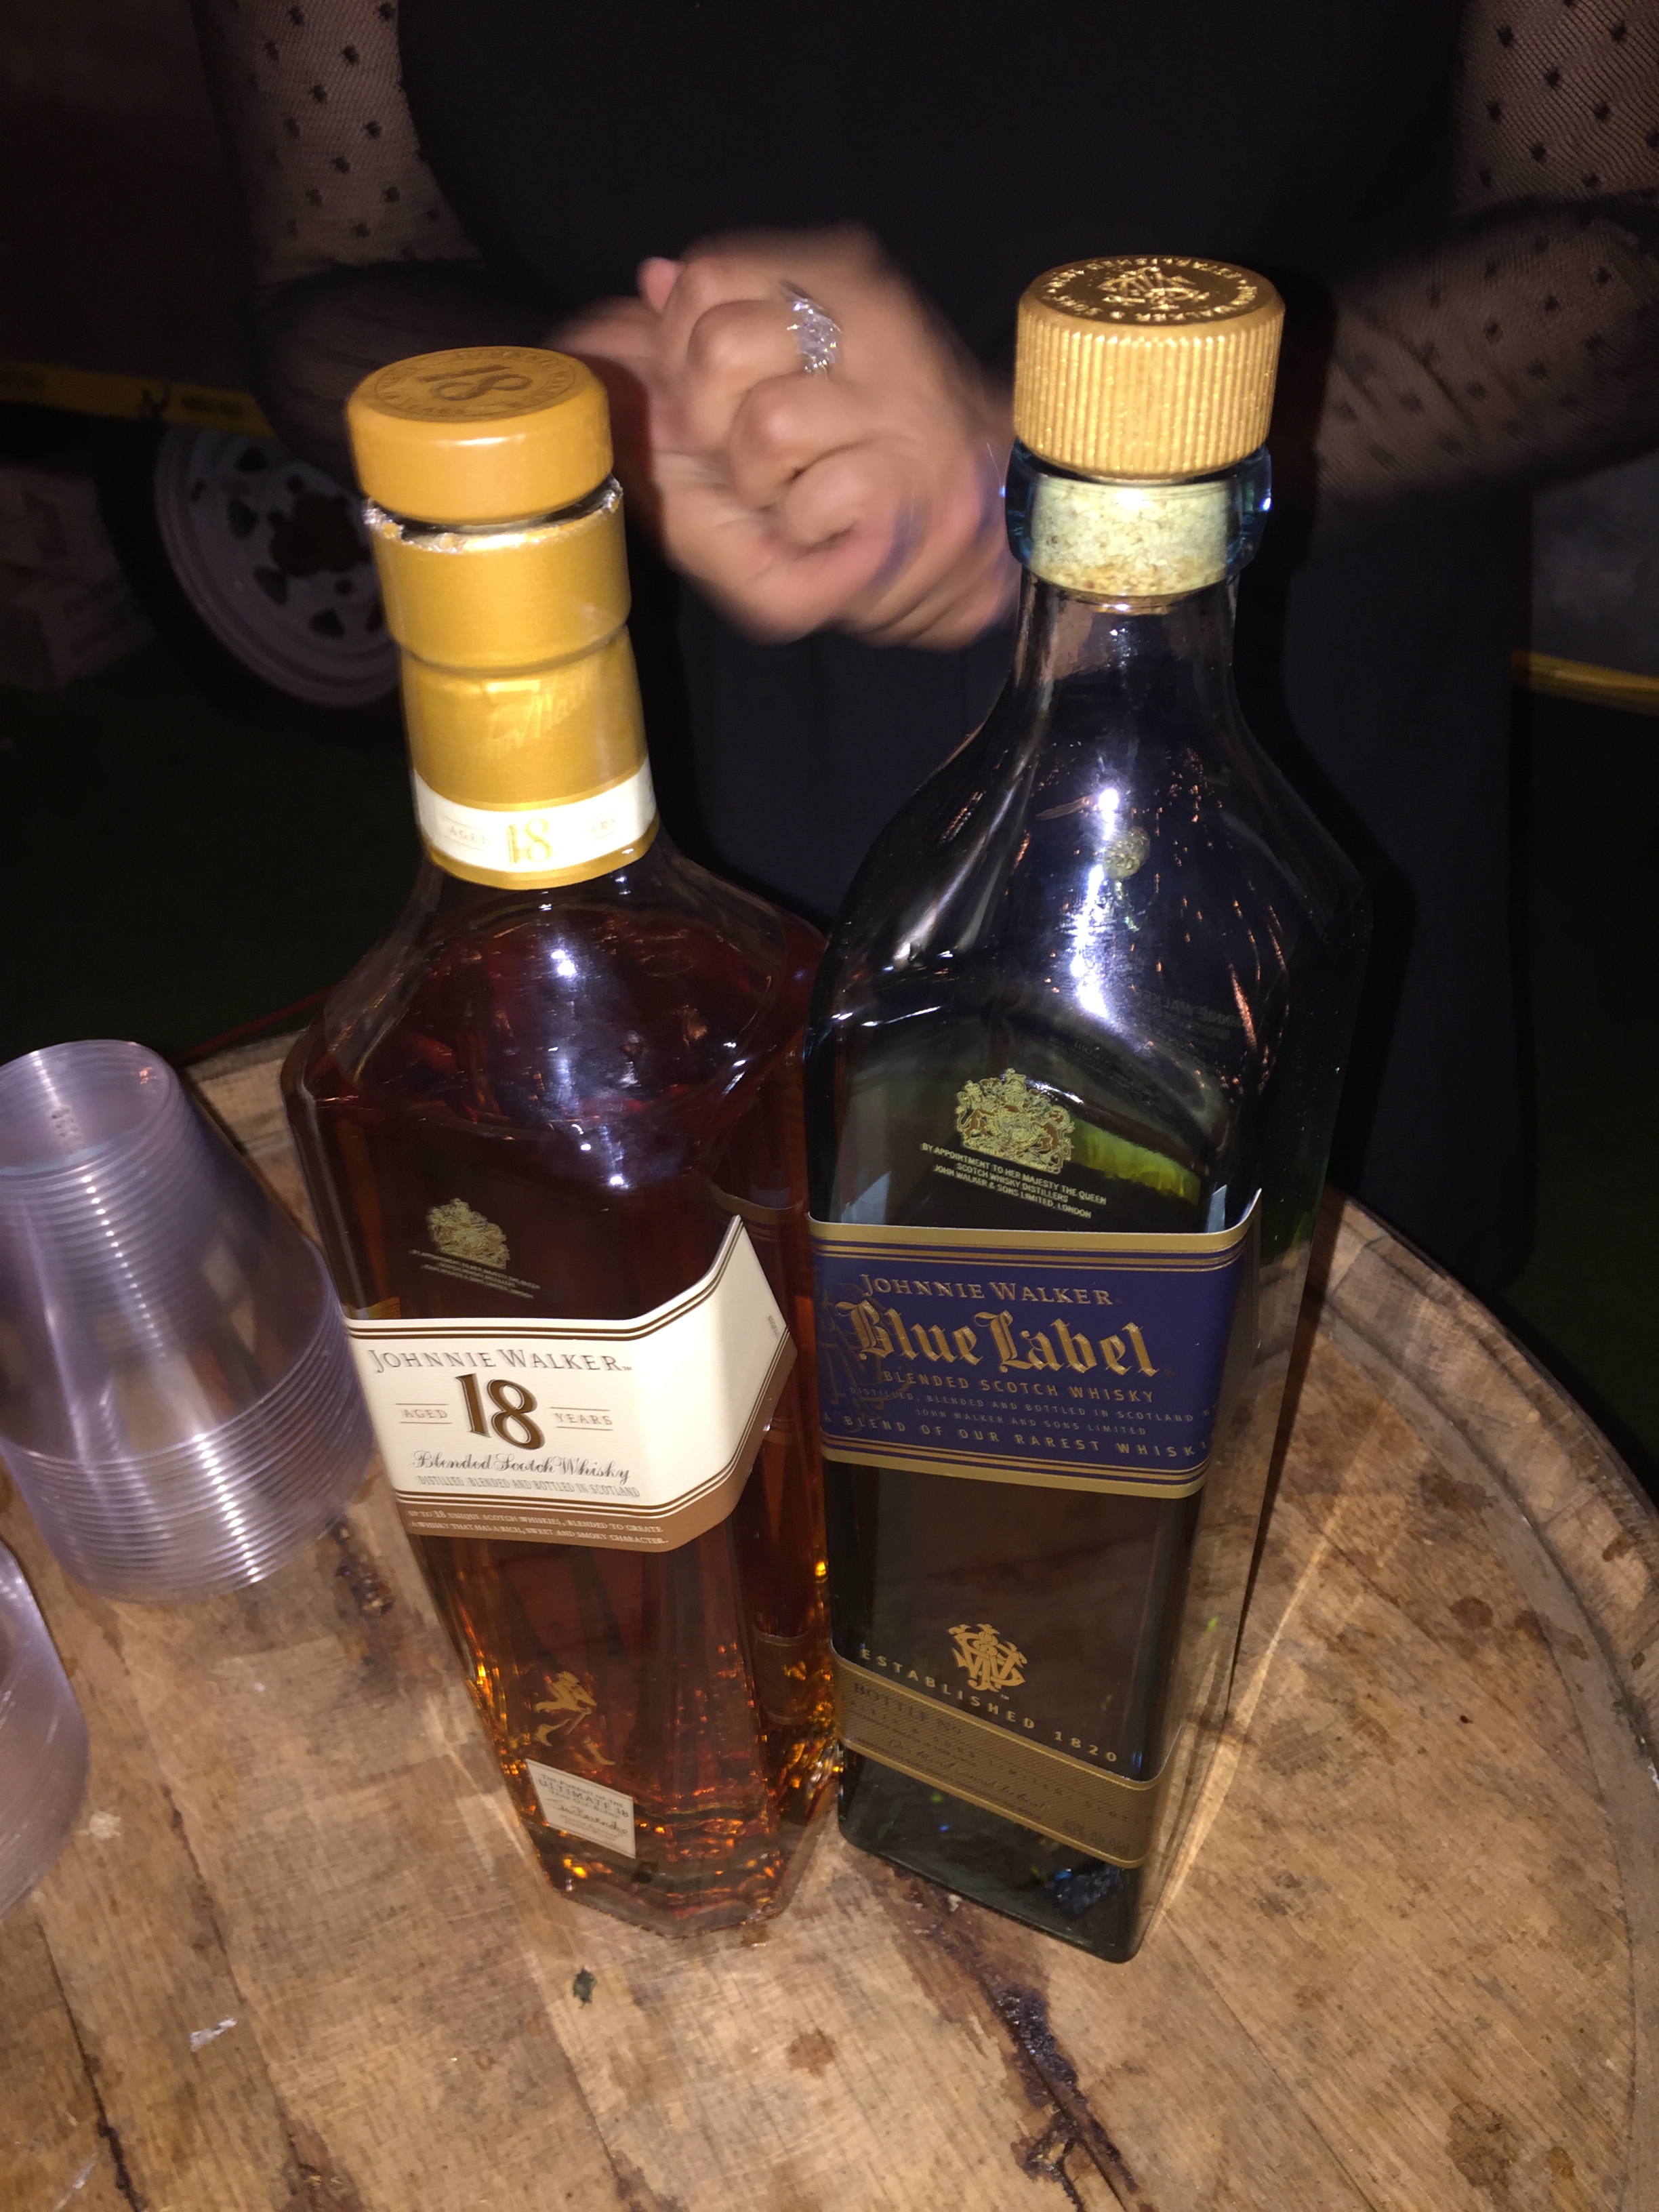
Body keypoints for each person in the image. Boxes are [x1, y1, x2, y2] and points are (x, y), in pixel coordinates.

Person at [192, 0, 1659, 1287]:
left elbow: (1618, 259)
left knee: (1270, 1338)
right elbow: (328, 276)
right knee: (765, 1285)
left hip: (1262, 678)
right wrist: (602, 415)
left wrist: (1081, 449)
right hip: (697, 714)